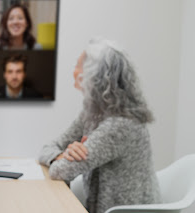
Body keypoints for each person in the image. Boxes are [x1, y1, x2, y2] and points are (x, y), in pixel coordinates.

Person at [38, 38, 160, 213]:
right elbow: (47, 148)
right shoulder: (94, 112)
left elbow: (60, 171)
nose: (73, 71)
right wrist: (62, 155)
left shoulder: (119, 125)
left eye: (78, 65)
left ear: (93, 75)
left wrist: (62, 159)